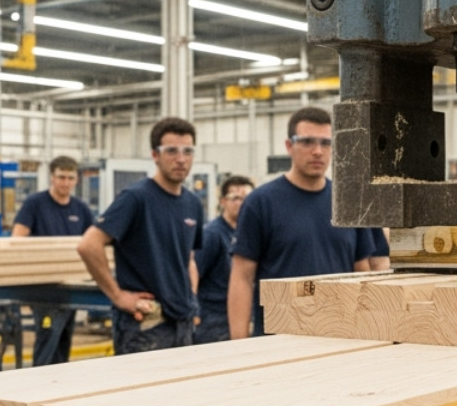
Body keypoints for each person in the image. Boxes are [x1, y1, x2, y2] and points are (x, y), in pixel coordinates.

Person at [229, 106, 373, 338]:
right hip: (277, 339)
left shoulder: (349, 202)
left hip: (339, 336)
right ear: (289, 146)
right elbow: (242, 277)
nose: (317, 151)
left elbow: (362, 271)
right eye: (307, 142)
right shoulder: (260, 202)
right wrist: (238, 345)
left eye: (326, 143)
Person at [77, 117, 201, 354]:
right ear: (155, 155)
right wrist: (118, 296)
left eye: (188, 151)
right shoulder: (136, 198)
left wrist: (191, 297)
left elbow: (189, 259)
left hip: (182, 321)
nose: (181, 159)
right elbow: (89, 245)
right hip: (146, 324)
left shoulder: (192, 204)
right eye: (171, 151)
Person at [13, 156, 96, 365]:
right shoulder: (35, 204)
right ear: (52, 177)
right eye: (61, 177)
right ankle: (38, 389)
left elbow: (94, 242)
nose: (65, 183)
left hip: (72, 285)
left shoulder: (81, 209)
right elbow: (17, 239)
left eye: (70, 178)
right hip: (45, 287)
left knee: (63, 342)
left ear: (76, 180)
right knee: (47, 340)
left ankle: (58, 389)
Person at [195, 174, 253, 344]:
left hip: (239, 315)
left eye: (247, 198)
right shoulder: (212, 235)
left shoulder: (248, 234)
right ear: (223, 202)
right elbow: (193, 274)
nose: (242, 203)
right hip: (213, 321)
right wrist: (194, 314)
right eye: (235, 198)